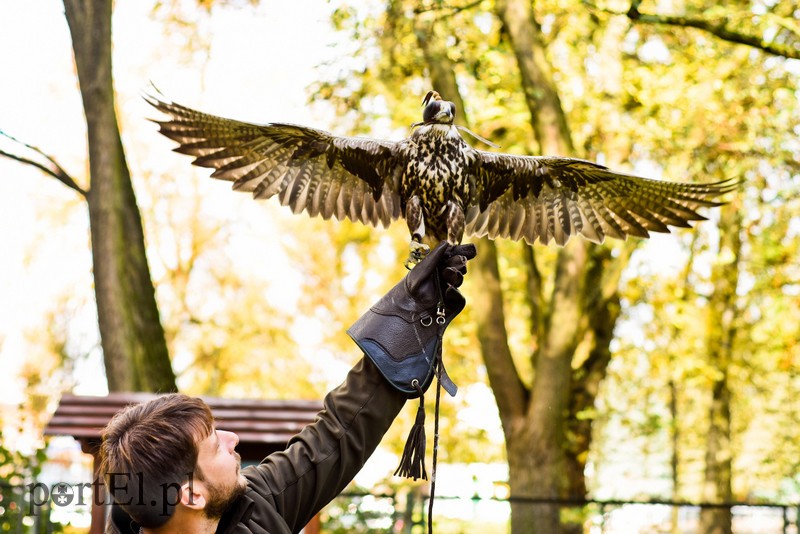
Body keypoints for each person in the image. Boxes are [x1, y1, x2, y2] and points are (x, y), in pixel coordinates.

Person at [101, 242, 476, 534]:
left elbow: (335, 438)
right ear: (192, 495)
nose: (232, 439)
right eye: (215, 445)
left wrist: (413, 312)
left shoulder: (251, 500)